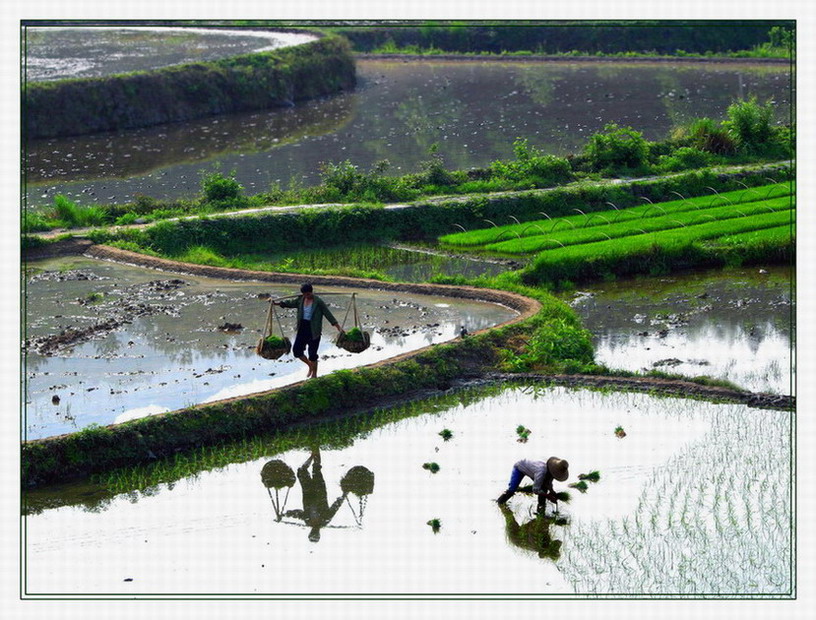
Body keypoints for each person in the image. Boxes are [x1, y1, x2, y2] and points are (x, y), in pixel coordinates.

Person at [273, 283, 343, 378]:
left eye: (308, 294)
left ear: (311, 292)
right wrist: (276, 303)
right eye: (305, 294)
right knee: (297, 351)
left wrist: (338, 327)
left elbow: (328, 314)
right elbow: (289, 303)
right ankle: (310, 365)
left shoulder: (318, 302)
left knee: (312, 354)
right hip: (302, 328)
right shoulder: (300, 300)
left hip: (314, 330)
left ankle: (314, 374)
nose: (307, 296)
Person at [283, 448, 347, 543]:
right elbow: (335, 507)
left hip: (308, 491)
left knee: (301, 472)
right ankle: (316, 449)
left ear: (310, 533)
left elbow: (298, 514)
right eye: (316, 534)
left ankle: (313, 455)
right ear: (318, 534)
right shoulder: (325, 519)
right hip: (319, 490)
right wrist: (343, 496)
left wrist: (285, 514)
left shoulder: (308, 521)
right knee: (316, 469)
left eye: (312, 534)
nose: (314, 532)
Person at [496, 457, 569, 513]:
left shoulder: (551, 472)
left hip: (532, 471)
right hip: (520, 467)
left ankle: (541, 509)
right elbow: (535, 490)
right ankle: (499, 503)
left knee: (544, 488)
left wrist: (552, 491)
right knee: (512, 489)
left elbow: (548, 483)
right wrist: (549, 496)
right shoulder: (541, 472)